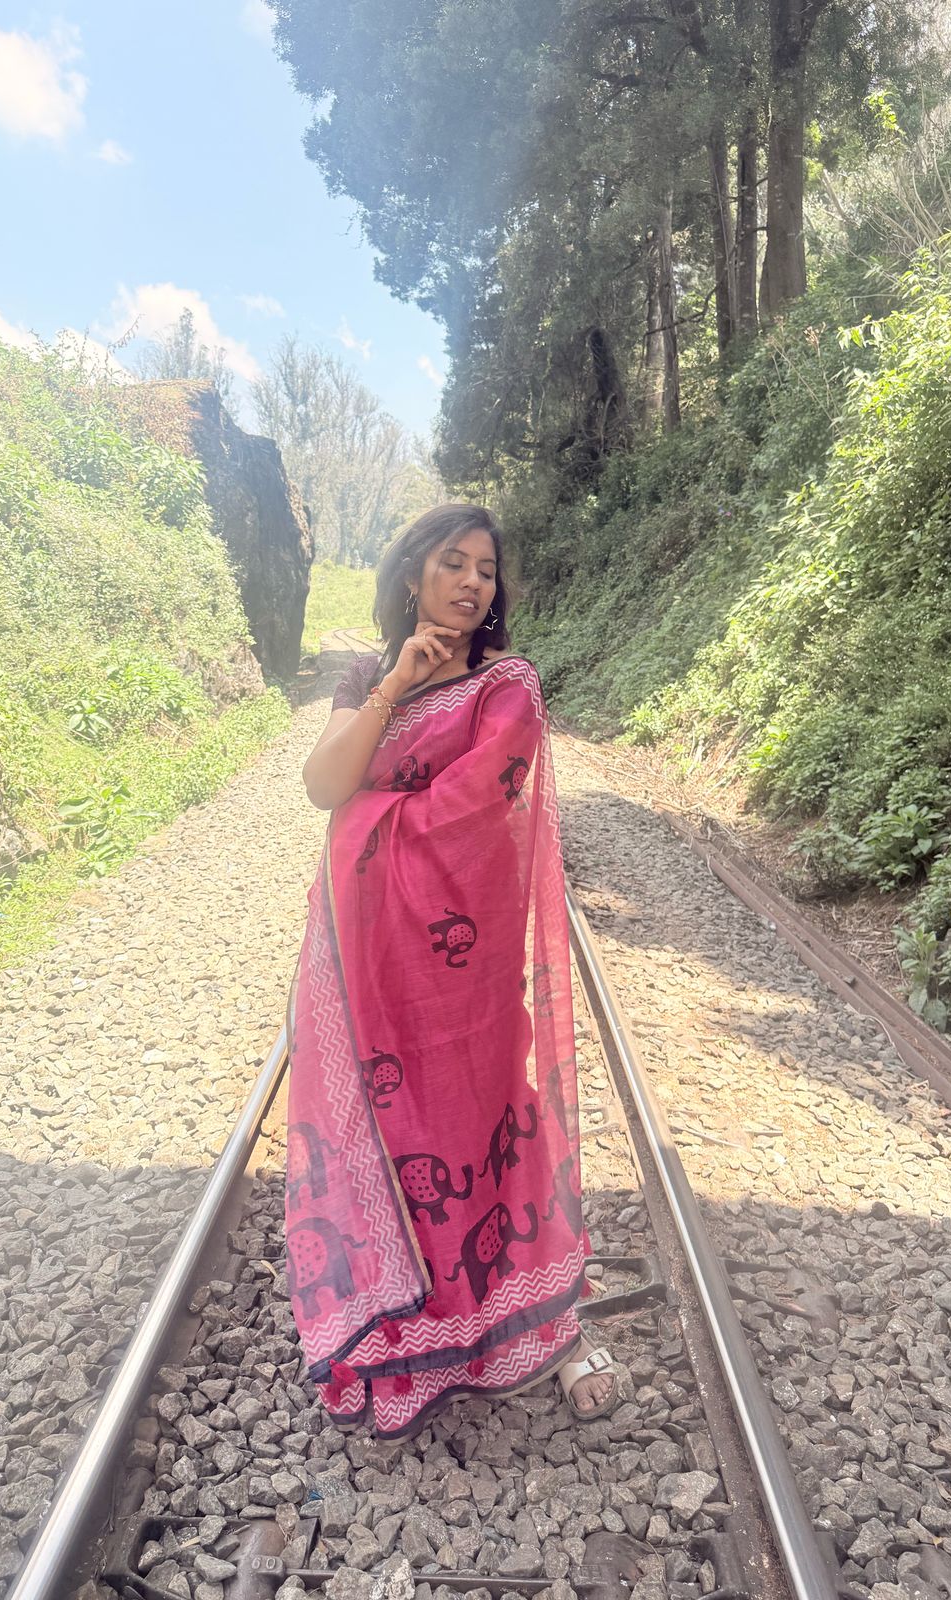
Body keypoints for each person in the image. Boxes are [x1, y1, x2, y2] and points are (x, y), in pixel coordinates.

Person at [284, 502, 621, 1438]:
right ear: (412, 576)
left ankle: (534, 1314)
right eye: (453, 563)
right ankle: (415, 1324)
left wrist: (371, 814)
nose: (473, 583)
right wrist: (396, 682)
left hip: (462, 960)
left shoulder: (507, 685)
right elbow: (323, 787)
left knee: (481, 1115)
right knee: (392, 1132)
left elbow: (473, 811)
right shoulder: (369, 675)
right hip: (365, 954)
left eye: (486, 569)